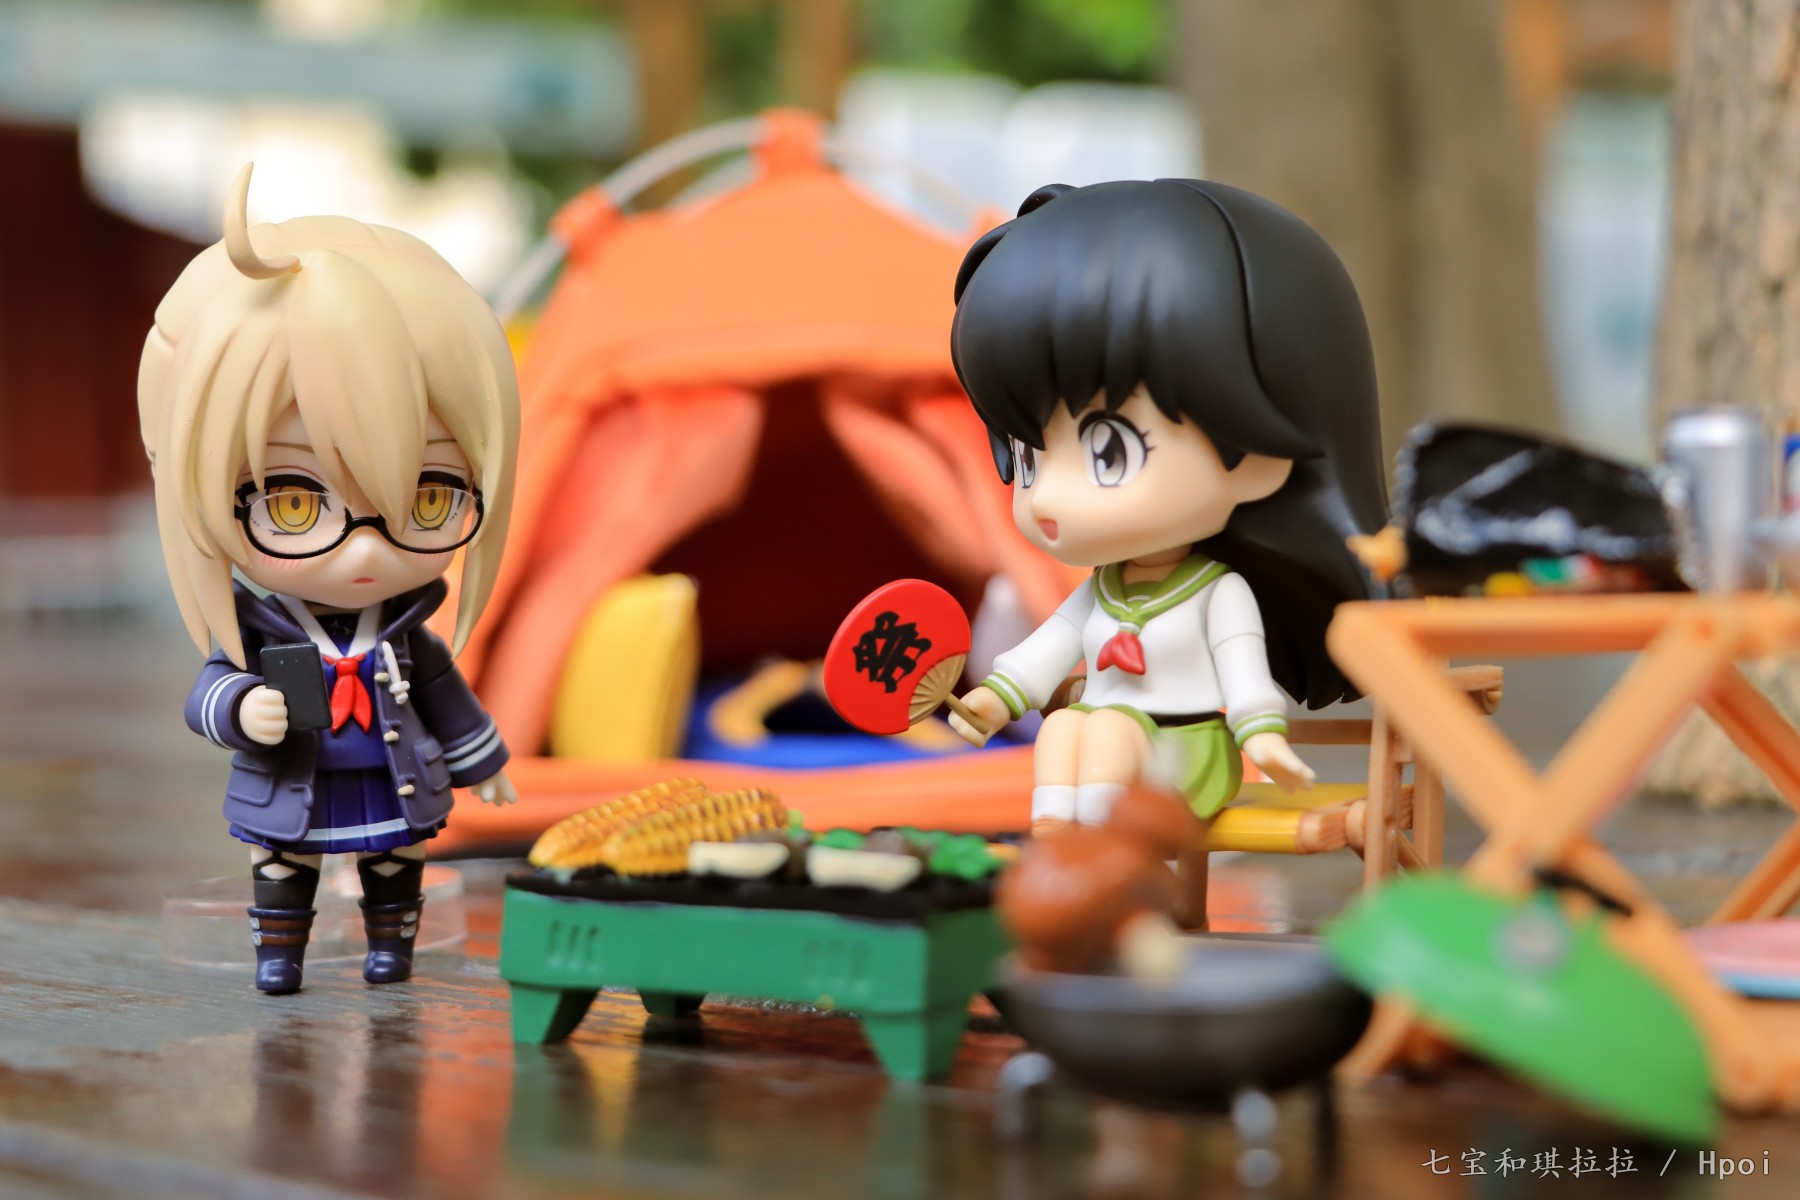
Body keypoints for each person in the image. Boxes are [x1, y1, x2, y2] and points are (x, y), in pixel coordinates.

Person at [945, 179, 1387, 917]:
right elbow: (1048, 648)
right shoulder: (1103, 587)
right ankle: (1062, 846)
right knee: (1065, 727)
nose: (1046, 497)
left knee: (1108, 730)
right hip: (1119, 747)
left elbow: (1244, 672)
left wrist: (1263, 736)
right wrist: (994, 699)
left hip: (1191, 757)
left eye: (1108, 450)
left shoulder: (1219, 591)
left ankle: (1105, 868)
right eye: (1027, 456)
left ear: (1254, 455)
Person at [139, 164, 520, 993]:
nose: (367, 552)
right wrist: (242, 708)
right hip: (292, 784)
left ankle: (391, 949)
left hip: (392, 779)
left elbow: (446, 696)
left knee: (396, 861)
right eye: (293, 502)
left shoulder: (406, 634)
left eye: (428, 496)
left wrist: (482, 761)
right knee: (283, 866)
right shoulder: (260, 628)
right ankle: (280, 956)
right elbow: (208, 688)